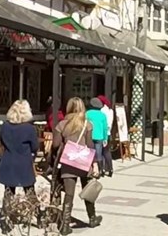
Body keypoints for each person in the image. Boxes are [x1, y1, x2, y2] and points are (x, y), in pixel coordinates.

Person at [52, 97, 102, 234]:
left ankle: (65, 225)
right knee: (88, 190)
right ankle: (92, 218)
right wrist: (95, 163)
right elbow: (91, 145)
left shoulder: (62, 124)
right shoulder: (87, 124)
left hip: (68, 160)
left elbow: (55, 145)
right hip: (84, 161)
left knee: (69, 194)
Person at [0, 100, 39, 234]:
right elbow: (35, 146)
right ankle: (38, 217)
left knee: (9, 192)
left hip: (8, 161)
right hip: (24, 162)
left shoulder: (5, 127)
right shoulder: (29, 128)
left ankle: (6, 221)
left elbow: (1, 141)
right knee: (29, 191)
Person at [86, 98, 109, 178]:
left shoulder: (87, 113)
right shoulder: (103, 115)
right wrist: (105, 138)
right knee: (99, 154)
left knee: (89, 153)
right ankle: (100, 170)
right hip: (99, 136)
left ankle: (90, 169)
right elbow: (105, 128)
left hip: (89, 135)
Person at [97, 95, 114, 177]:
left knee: (100, 152)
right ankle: (110, 168)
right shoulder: (110, 111)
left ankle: (102, 169)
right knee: (107, 152)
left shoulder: (101, 111)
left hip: (102, 133)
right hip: (108, 132)